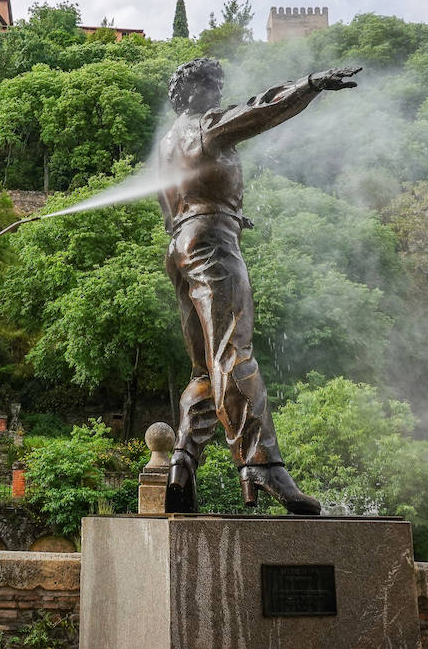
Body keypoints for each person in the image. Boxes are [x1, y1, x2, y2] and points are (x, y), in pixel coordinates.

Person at [157, 57, 359, 515]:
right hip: (212, 244)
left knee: (203, 371)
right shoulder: (205, 125)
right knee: (233, 352)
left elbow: (182, 203)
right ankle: (261, 464)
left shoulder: (167, 144)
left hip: (181, 247)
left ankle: (183, 462)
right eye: (211, 85)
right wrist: (307, 85)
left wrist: (225, 211)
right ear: (189, 93)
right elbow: (259, 110)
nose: (217, 92)